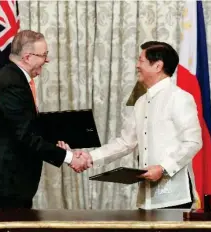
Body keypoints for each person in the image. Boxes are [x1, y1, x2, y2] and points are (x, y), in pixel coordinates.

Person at [59, 41, 202, 209]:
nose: (137, 66)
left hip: (174, 197)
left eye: (141, 61)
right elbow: (125, 142)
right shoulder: (141, 102)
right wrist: (90, 157)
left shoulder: (180, 97)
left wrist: (163, 168)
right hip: (146, 197)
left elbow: (193, 142)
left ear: (158, 66)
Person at [0, 30, 91, 209]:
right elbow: (25, 136)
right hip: (6, 182)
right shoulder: (11, 83)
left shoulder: (16, 78)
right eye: (43, 55)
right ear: (27, 57)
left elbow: (26, 126)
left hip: (12, 182)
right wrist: (69, 158)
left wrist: (56, 141)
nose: (47, 60)